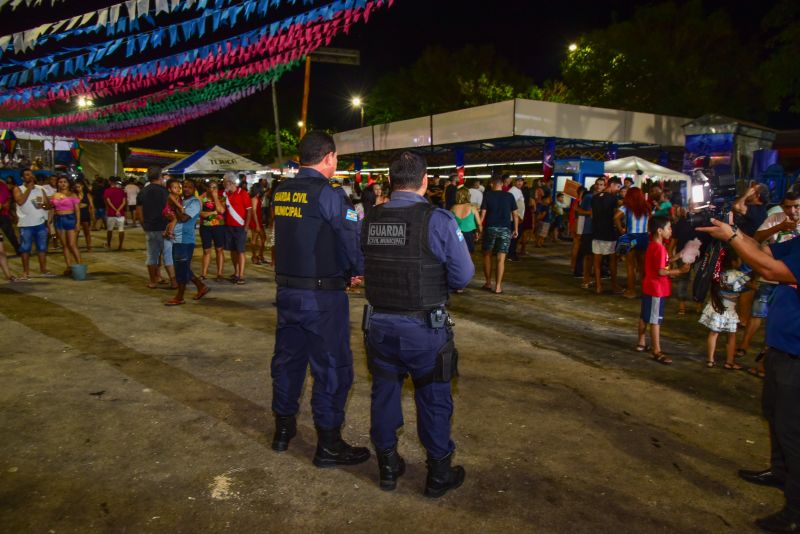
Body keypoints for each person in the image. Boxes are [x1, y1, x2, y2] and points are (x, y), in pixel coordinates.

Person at [362, 151, 474, 496]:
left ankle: (388, 467)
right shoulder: (437, 220)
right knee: (434, 397)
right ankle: (438, 474)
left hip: (378, 326)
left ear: (392, 182)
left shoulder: (370, 218)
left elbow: (358, 263)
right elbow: (463, 275)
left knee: (384, 393)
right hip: (424, 330)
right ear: (424, 181)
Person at [269, 131, 369, 469]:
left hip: (287, 294)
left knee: (288, 363)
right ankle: (328, 445)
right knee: (332, 368)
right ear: (329, 157)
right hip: (322, 297)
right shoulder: (328, 195)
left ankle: (283, 432)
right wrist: (357, 270)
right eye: (336, 157)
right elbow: (349, 236)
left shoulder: (282, 191)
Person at [698, 216, 800, 532]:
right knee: (774, 416)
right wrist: (734, 232)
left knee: (794, 433)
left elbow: (770, 270)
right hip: (782, 350)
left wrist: (731, 238)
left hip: (797, 357)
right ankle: (780, 471)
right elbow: (764, 253)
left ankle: (795, 512)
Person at [736, 191, 800, 376]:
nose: (793, 210)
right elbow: (758, 243)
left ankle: (766, 362)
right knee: (760, 315)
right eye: (788, 206)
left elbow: (771, 266)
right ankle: (746, 347)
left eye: (797, 206)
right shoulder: (775, 218)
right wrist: (778, 227)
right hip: (769, 279)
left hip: (786, 281)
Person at [636, 216, 689, 364]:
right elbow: (661, 271)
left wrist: (676, 257)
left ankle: (641, 343)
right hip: (657, 289)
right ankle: (657, 350)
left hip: (649, 285)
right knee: (655, 320)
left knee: (644, 316)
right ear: (660, 231)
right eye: (669, 228)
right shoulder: (660, 248)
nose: (671, 231)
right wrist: (679, 271)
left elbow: (660, 263)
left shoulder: (653, 245)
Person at [698, 250, 750, 369]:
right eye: (739, 259)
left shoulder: (718, 274)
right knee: (731, 336)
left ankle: (710, 360)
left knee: (713, 334)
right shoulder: (739, 275)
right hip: (729, 310)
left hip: (716, 307)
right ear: (733, 262)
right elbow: (746, 287)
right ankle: (729, 362)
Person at [165, 179, 209, 306]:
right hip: (177, 238)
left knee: (181, 270)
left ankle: (180, 297)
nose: (186, 189)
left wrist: (174, 205)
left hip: (185, 240)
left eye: (189, 187)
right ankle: (201, 286)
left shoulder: (194, 203)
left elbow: (184, 218)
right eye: (184, 187)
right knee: (182, 268)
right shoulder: (182, 201)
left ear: (194, 189)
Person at [137, 168, 176, 289]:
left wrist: (145, 226)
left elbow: (139, 212)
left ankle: (153, 281)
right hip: (164, 228)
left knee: (152, 256)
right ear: (160, 177)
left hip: (150, 228)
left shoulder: (143, 192)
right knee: (168, 255)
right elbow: (171, 210)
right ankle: (174, 282)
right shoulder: (165, 192)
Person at [480, 174, 519, 294]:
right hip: (505, 229)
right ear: (502, 184)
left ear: (492, 184)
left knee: (487, 255)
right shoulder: (509, 196)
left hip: (490, 228)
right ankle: (498, 287)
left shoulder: (487, 195)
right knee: (501, 259)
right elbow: (515, 214)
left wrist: (479, 228)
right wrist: (516, 229)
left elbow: (483, 213)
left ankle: (488, 283)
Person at [13, 168, 53, 279]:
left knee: (42, 247)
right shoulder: (18, 189)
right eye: (26, 175)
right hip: (26, 225)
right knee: (25, 249)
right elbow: (20, 201)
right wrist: (29, 190)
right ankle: (26, 272)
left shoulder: (40, 189)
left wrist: (43, 206)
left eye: (31, 174)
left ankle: (43, 270)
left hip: (40, 223)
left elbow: (48, 205)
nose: (30, 176)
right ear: (22, 177)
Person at [615, 186, 650, 299]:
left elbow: (615, 217)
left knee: (630, 266)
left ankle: (631, 291)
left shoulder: (626, 207)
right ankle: (645, 291)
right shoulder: (646, 207)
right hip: (644, 237)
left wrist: (622, 231)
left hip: (631, 237)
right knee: (642, 266)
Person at [591, 176, 623, 294]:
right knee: (612, 261)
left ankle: (598, 286)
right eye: (618, 187)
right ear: (612, 184)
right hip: (609, 233)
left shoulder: (594, 198)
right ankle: (614, 285)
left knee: (597, 261)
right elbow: (618, 213)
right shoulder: (613, 199)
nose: (618, 189)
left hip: (596, 232)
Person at [222, 172, 251, 284]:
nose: (224, 184)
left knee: (240, 251)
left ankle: (241, 275)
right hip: (229, 227)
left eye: (225, 182)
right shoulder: (227, 194)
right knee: (233, 251)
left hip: (240, 227)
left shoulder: (243, 193)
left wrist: (246, 226)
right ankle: (236, 272)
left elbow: (249, 210)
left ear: (230, 182)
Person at [50, 176, 82, 275]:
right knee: (64, 245)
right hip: (58, 219)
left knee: (72, 245)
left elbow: (77, 210)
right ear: (57, 183)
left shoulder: (73, 195)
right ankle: (68, 267)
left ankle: (80, 266)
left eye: (65, 182)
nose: (63, 184)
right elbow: (51, 208)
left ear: (68, 184)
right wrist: (49, 221)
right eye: (60, 182)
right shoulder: (54, 195)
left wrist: (77, 223)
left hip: (70, 219)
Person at [198, 180, 227, 281]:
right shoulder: (202, 198)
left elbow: (221, 211)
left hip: (218, 226)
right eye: (211, 187)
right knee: (206, 250)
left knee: (219, 249)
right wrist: (213, 212)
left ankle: (220, 274)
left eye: (215, 187)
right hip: (205, 227)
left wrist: (215, 198)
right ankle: (204, 273)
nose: (213, 189)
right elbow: (201, 213)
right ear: (207, 188)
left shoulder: (221, 198)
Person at [450, 186, 482, 253]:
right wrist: (479, 233)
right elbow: (479, 223)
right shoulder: (472, 208)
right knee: (468, 253)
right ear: (468, 196)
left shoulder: (453, 208)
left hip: (457, 233)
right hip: (469, 234)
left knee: (458, 252)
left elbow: (449, 223)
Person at [506, 175, 525, 261]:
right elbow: (510, 206)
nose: (520, 182)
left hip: (517, 218)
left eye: (521, 181)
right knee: (514, 237)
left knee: (515, 237)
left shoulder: (518, 190)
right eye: (518, 181)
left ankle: (512, 253)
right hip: (514, 219)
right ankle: (511, 254)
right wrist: (516, 217)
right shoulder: (513, 191)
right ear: (514, 182)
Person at [103, 179, 126, 250]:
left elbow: (108, 202)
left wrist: (115, 210)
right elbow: (124, 202)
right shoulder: (122, 191)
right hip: (121, 213)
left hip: (111, 213)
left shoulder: (107, 191)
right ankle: (120, 245)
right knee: (121, 229)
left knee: (110, 229)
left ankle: (109, 244)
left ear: (110, 183)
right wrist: (118, 210)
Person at [0, 177, 20, 254]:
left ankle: (18, 249)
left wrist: (7, 203)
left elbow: (8, 197)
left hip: (3, 214)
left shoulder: (3, 185)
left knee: (10, 233)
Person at [74, 179, 94, 252]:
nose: (77, 188)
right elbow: (74, 206)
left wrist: (92, 216)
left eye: (78, 187)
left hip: (85, 215)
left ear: (82, 186)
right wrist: (82, 205)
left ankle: (89, 246)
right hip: (76, 216)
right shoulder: (74, 195)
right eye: (76, 187)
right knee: (76, 232)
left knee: (87, 232)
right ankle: (74, 247)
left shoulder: (87, 194)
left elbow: (91, 206)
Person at [249, 183, 267, 265]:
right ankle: (254, 256)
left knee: (263, 238)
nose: (263, 189)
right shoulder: (255, 199)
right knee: (254, 239)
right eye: (262, 188)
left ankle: (259, 255)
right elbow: (254, 212)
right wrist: (257, 224)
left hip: (258, 221)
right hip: (255, 221)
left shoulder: (257, 198)